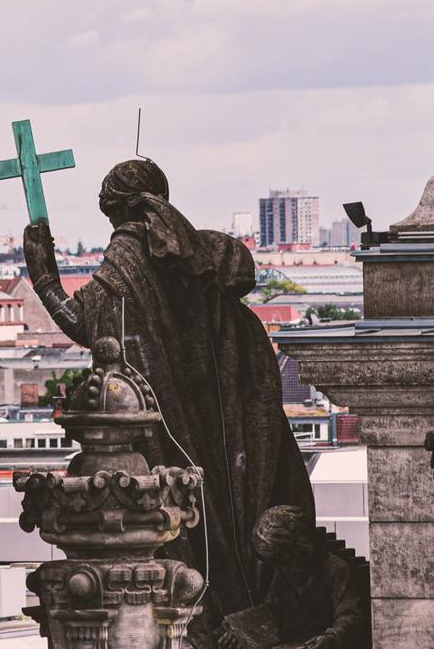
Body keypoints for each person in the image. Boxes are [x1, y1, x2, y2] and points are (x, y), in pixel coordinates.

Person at [23, 158, 315, 646]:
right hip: (215, 420)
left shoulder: (128, 256)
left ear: (113, 209)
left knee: (180, 525)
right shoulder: (194, 250)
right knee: (217, 512)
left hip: (163, 420)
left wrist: (45, 277)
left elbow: (88, 324)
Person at [216, 506, 370, 649]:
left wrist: (332, 638)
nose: (280, 570)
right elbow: (271, 613)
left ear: (302, 549)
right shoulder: (283, 576)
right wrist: (238, 630)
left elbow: (350, 616)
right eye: (275, 565)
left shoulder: (335, 569)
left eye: (284, 561)